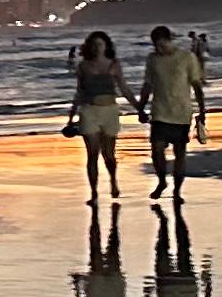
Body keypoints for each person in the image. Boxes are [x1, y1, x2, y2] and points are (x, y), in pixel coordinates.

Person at [140, 23, 205, 191]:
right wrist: (141, 107)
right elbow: (147, 85)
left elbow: (197, 85)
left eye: (161, 45)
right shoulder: (152, 59)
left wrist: (202, 111)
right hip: (160, 111)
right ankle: (162, 180)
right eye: (156, 46)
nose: (159, 49)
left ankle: (177, 190)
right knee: (156, 149)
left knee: (180, 152)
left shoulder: (187, 57)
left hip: (181, 111)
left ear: (169, 40)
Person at [70, 29, 128, 201]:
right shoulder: (83, 66)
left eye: (100, 44)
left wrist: (139, 107)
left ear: (106, 46)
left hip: (110, 110)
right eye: (94, 45)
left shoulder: (114, 64)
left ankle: (113, 181)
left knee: (109, 155)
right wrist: (71, 115)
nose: (97, 47)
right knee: (92, 153)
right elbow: (79, 91)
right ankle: (94, 192)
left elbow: (123, 88)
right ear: (89, 47)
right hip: (89, 110)